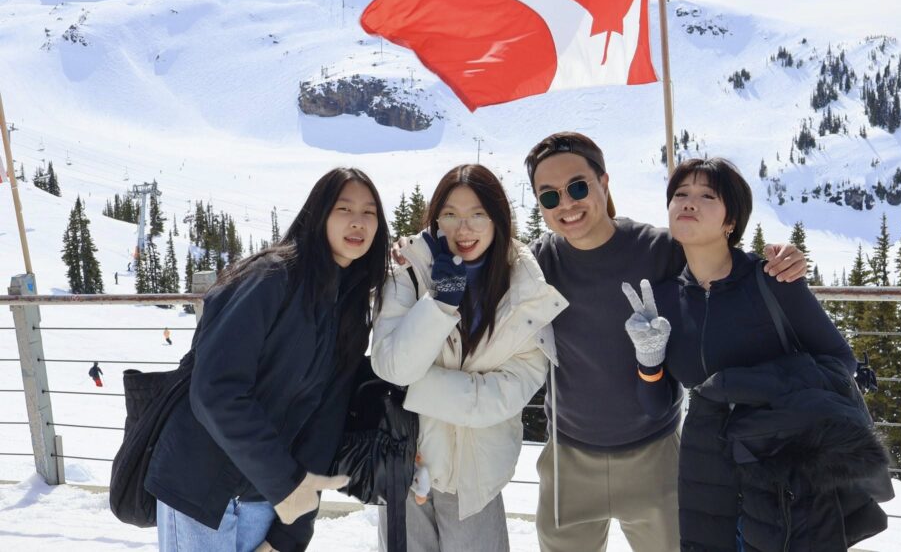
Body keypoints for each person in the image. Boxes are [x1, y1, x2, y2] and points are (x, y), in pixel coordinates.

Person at [523, 132, 808, 552]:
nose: (566, 203)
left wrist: (782, 263)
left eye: (578, 187)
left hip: (656, 455)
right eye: (549, 196)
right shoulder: (536, 264)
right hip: (567, 460)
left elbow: (723, 270)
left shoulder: (660, 250)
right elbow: (480, 277)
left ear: (604, 183)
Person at [623, 157, 891, 551]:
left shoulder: (772, 280)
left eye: (707, 196)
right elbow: (657, 406)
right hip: (711, 472)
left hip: (787, 472)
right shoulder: (662, 300)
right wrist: (648, 360)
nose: (689, 202)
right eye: (680, 194)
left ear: (731, 221)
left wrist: (741, 388)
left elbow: (840, 361)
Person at [144, 168, 391, 552]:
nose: (358, 221)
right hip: (201, 484)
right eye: (344, 208)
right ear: (319, 214)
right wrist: (286, 484)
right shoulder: (270, 277)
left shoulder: (349, 309)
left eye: (369, 212)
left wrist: (290, 533)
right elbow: (215, 391)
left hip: (266, 499)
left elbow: (324, 423)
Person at [372, 163, 565, 552]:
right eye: (450, 214)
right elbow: (393, 367)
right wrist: (440, 304)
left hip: (476, 478)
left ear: (498, 219)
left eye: (478, 214)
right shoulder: (408, 271)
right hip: (404, 463)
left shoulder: (524, 290)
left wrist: (413, 390)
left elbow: (510, 391)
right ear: (435, 219)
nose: (464, 229)